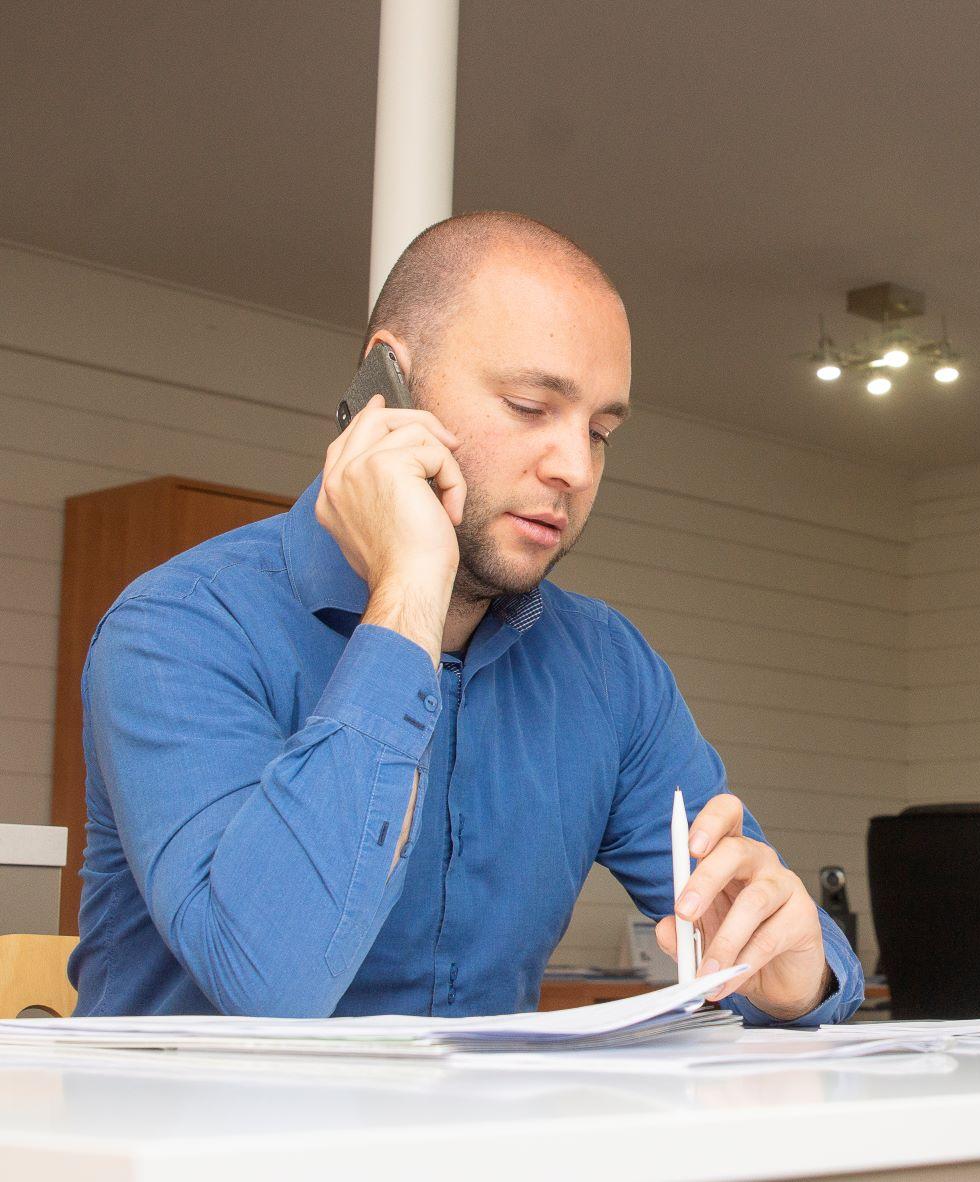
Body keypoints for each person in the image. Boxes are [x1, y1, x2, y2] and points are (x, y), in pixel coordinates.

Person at [69, 211, 863, 1024]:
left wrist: (797, 977)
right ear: (388, 384)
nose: (574, 468)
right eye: (528, 406)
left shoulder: (605, 669)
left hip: (474, 1145)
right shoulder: (179, 629)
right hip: (210, 1144)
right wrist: (411, 584)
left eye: (599, 432)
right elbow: (271, 984)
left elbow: (771, 942)